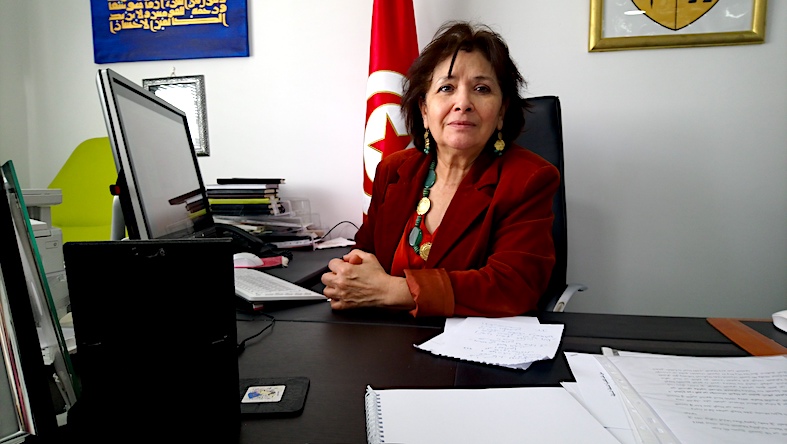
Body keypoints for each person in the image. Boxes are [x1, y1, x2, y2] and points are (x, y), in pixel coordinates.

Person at [321, 21, 559, 317]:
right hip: (386, 336)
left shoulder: (528, 179)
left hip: (473, 342)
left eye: (481, 89)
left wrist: (390, 291)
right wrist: (347, 276)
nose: (463, 103)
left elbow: (513, 286)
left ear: (501, 112)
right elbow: (365, 256)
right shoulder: (394, 170)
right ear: (424, 109)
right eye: (446, 88)